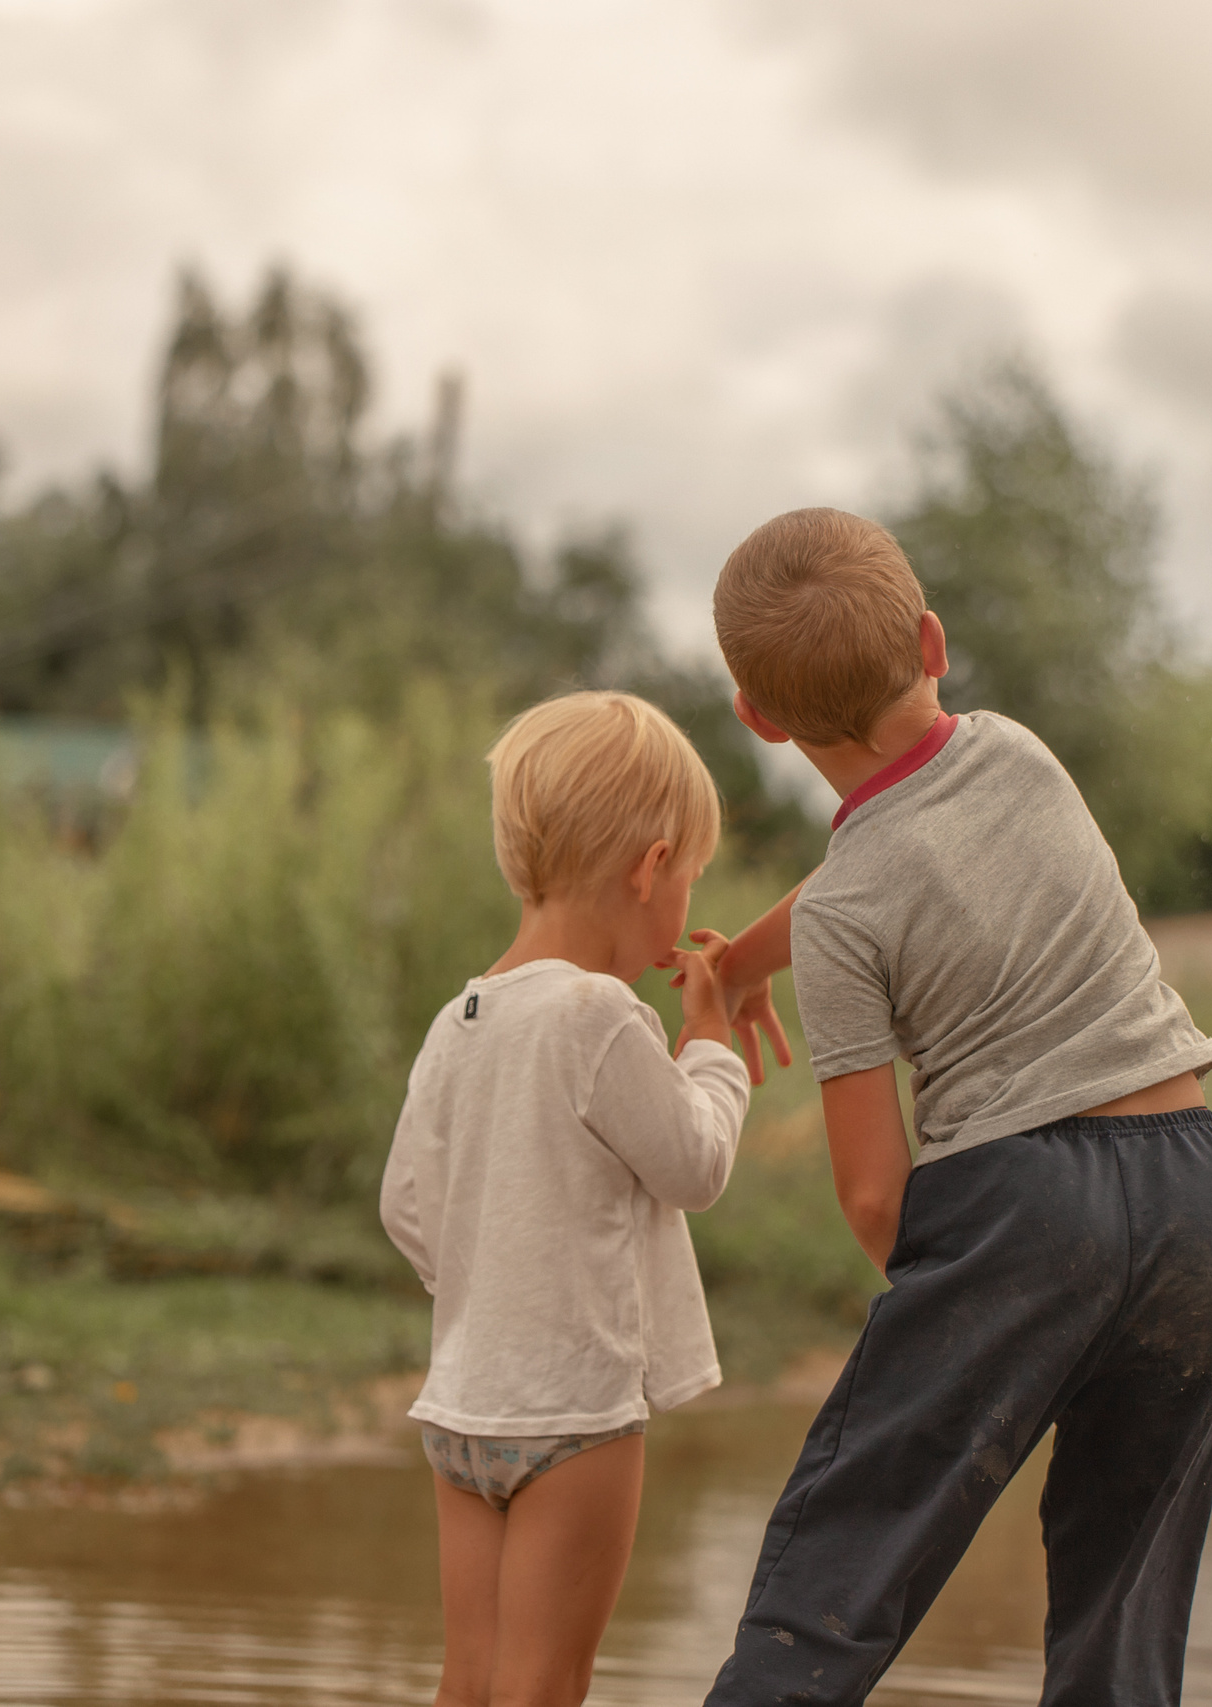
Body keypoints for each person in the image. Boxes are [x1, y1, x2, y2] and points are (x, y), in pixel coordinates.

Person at [700, 508, 1212, 1707]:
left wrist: (966, 1309)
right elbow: (905, 828)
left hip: (1019, 1204)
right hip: (1194, 1185)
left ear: (759, 718)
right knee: (1123, 1611)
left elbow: (869, 1191)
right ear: (933, 642)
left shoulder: (846, 921)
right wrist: (745, 959)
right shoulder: (1016, 751)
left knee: (840, 1571)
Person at [380, 690, 752, 1707]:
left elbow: (406, 1207)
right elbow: (694, 1164)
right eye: (693, 877)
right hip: (575, 1416)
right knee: (547, 1681)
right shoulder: (599, 1014)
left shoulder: (459, 1019)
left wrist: (489, 1279)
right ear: (651, 866)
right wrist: (713, 1044)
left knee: (472, 1678)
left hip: (461, 1407)